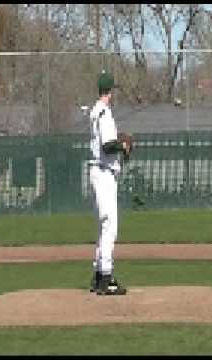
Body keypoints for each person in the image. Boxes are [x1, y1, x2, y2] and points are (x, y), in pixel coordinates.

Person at [88, 70, 131, 295]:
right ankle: (106, 278)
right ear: (110, 91)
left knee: (103, 226)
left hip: (100, 172)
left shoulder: (97, 112)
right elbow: (107, 146)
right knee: (110, 226)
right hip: (104, 173)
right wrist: (121, 146)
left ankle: (98, 276)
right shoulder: (104, 113)